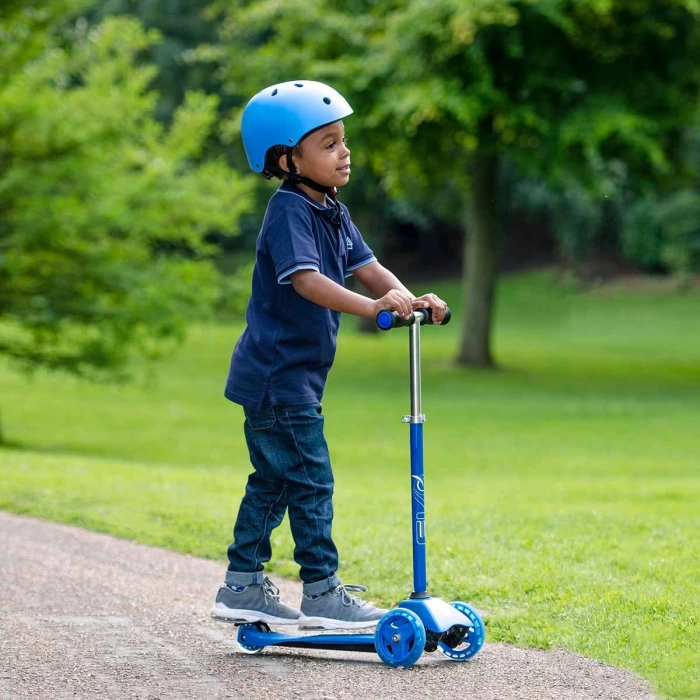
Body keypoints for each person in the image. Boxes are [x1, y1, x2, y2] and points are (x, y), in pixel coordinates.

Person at [212, 80, 447, 630]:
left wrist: (409, 299)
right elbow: (307, 282)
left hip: (291, 378)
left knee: (275, 481)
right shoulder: (289, 211)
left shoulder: (332, 210)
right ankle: (321, 591)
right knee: (311, 480)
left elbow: (368, 268)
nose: (344, 152)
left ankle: (241, 585)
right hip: (277, 377)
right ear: (286, 158)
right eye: (328, 143)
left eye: (344, 140)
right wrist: (373, 310)